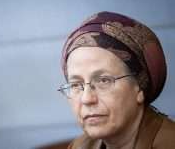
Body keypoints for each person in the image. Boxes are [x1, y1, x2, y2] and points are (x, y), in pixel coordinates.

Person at [58, 11, 175, 149]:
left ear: (139, 87)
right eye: (76, 85)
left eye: (103, 81)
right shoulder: (79, 146)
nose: (87, 99)